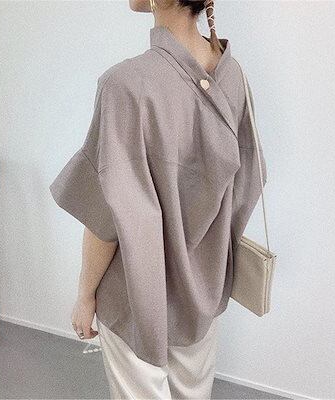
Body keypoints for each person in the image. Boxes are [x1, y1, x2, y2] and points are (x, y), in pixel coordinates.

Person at [49, 0, 267, 398]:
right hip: (204, 290)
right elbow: (246, 187)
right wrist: (209, 261)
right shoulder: (233, 74)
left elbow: (106, 215)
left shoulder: (124, 85)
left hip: (135, 294)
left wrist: (85, 295)